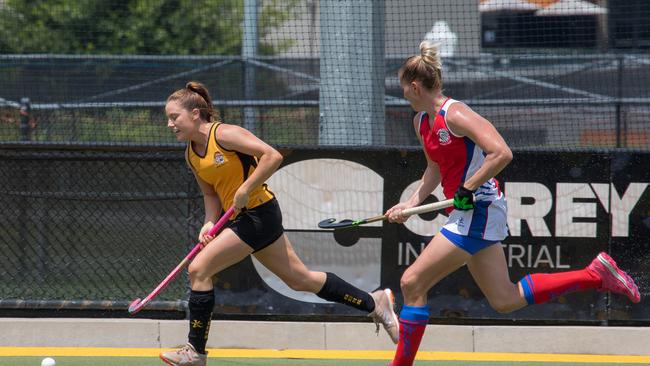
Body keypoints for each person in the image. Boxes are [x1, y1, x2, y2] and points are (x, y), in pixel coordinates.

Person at [385, 41, 641, 366]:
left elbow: (502, 152)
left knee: (411, 281)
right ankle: (596, 274)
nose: (402, 93)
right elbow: (434, 169)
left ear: (416, 86)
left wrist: (469, 186)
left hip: (479, 209)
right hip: (466, 211)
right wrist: (409, 203)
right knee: (505, 300)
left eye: (404, 87)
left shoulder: (456, 114)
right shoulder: (422, 123)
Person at [159, 81, 399, 366]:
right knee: (300, 279)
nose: (170, 124)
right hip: (242, 218)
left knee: (199, 269)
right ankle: (374, 303)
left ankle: (195, 352)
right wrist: (209, 223)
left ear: (196, 113)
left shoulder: (224, 134)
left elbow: (272, 155)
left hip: (259, 214)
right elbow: (211, 194)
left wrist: (247, 188)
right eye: (168, 119)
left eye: (175, 117)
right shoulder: (190, 153)